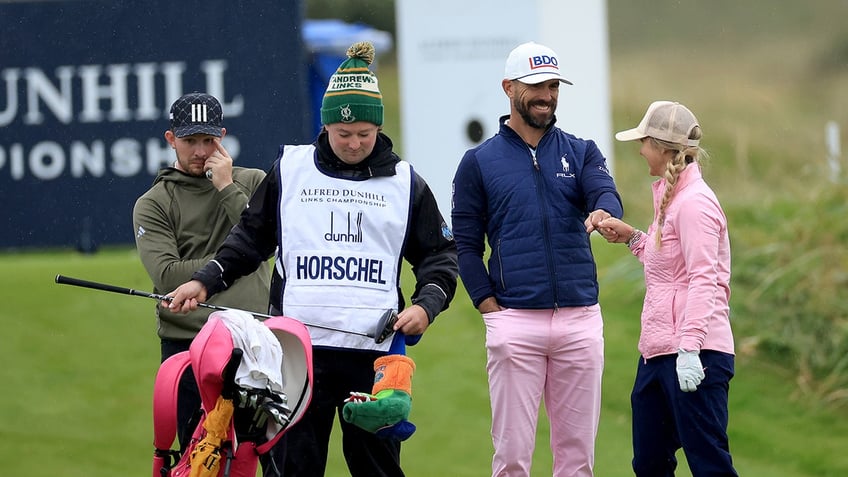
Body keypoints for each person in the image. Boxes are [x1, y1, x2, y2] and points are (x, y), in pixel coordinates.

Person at [163, 41, 458, 477]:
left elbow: (439, 256)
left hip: (372, 359)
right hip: (295, 356)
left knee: (377, 469)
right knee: (291, 469)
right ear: (325, 127)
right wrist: (205, 281)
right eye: (343, 134)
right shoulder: (291, 169)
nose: (354, 143)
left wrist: (425, 305)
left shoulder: (406, 182)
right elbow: (250, 239)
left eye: (364, 133)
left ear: (379, 128)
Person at [451, 41, 623, 477]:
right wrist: (488, 307)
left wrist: (604, 210)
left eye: (552, 85)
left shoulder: (581, 150)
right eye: (535, 86)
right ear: (509, 88)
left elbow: (604, 192)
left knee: (578, 458)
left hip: (579, 319)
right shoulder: (478, 162)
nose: (546, 95)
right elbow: (466, 246)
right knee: (511, 459)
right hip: (514, 320)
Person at [597, 100, 737, 476]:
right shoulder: (672, 200)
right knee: (650, 464)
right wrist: (633, 239)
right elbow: (670, 269)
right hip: (658, 353)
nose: (640, 149)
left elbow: (704, 279)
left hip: (696, 354)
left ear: (661, 147)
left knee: (709, 464)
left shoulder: (695, 204)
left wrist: (690, 348)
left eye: (643, 141)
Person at [132, 92, 272, 454]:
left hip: (256, 343)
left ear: (221, 136)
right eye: (189, 140)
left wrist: (227, 189)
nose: (199, 151)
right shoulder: (154, 203)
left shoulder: (252, 182)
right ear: (170, 139)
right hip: (189, 346)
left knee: (265, 457)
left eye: (207, 140)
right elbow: (166, 275)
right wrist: (239, 257)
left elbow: (266, 244)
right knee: (200, 461)